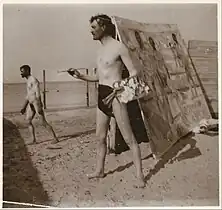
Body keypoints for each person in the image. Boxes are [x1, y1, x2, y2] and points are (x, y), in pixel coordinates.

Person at [67, 14, 145, 188]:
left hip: (115, 95)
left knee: (129, 138)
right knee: (100, 137)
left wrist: (122, 86)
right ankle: (99, 170)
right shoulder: (100, 51)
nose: (91, 31)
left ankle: (140, 176)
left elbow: (134, 72)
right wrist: (80, 76)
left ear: (103, 27)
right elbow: (99, 77)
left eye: (94, 27)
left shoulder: (119, 47)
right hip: (102, 94)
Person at [20, 65, 59, 144]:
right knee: (28, 121)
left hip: (36, 102)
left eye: (22, 71)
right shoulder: (28, 80)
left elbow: (38, 93)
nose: (21, 73)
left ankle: (54, 138)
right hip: (31, 103)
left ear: (27, 71)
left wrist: (40, 104)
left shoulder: (33, 80)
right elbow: (28, 95)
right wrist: (23, 107)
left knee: (42, 122)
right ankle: (33, 140)